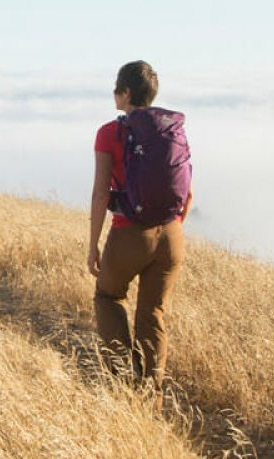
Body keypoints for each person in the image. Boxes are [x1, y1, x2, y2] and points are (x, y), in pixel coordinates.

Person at [87, 60, 192, 395]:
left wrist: (93, 245)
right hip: (171, 235)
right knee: (152, 314)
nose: (114, 94)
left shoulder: (110, 133)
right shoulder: (171, 130)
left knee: (108, 296)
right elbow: (187, 192)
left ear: (126, 93)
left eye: (117, 88)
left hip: (130, 233)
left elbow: (101, 192)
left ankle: (121, 382)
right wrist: (170, 226)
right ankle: (151, 394)